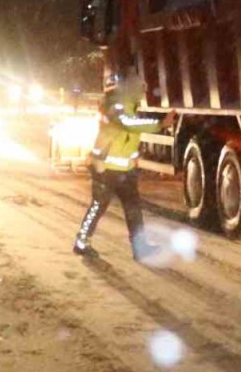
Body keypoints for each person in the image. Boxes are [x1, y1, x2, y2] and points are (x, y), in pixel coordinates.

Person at [73, 75, 172, 260]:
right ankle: (82, 241)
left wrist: (134, 161)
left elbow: (129, 139)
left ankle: (140, 247)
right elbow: (127, 124)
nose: (144, 93)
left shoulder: (130, 107)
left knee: (133, 208)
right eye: (141, 88)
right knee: (98, 206)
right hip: (104, 168)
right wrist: (159, 124)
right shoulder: (115, 105)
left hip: (124, 171)